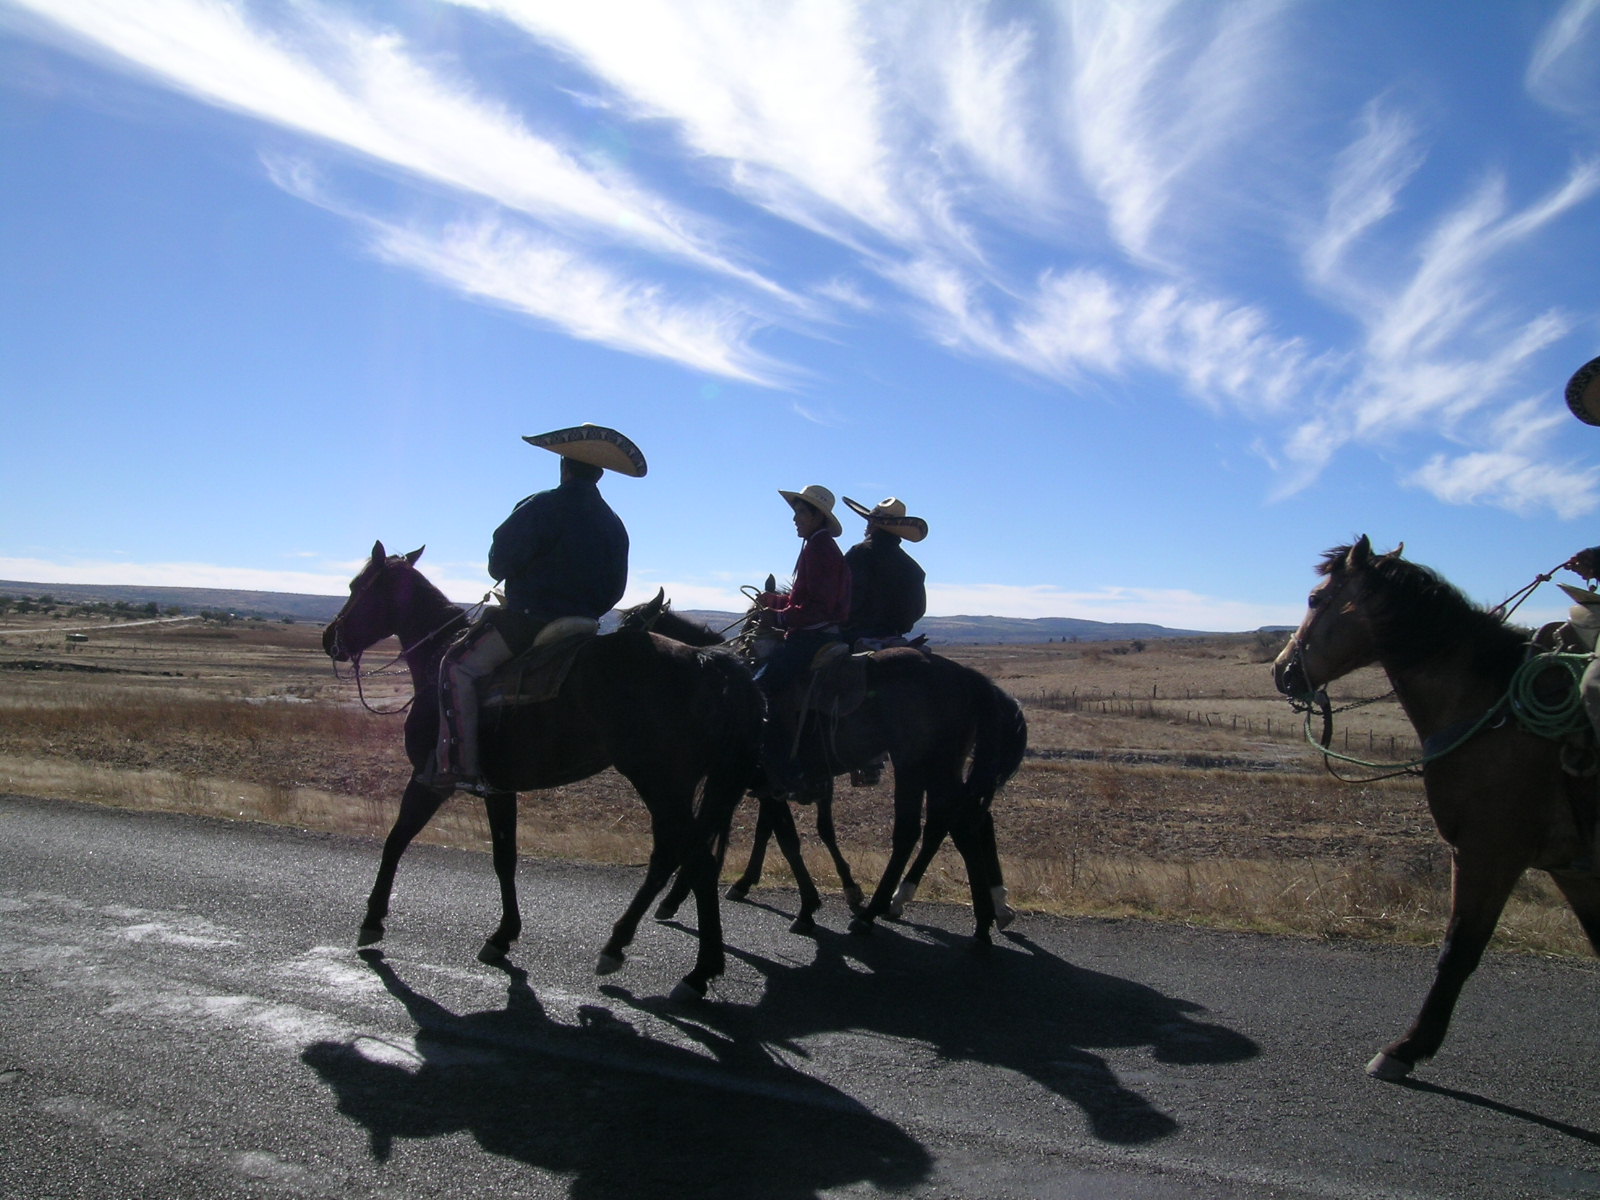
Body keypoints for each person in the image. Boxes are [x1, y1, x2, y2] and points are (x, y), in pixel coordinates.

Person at [426, 424, 645, 794]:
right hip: (582, 627)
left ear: (563, 466)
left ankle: (460, 766)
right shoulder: (614, 524)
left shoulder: (541, 506)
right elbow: (615, 589)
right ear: (600, 473)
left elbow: (499, 564)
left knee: (456, 666)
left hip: (527, 623)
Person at [756, 484, 851, 790]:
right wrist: (774, 602)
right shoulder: (817, 546)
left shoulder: (818, 549)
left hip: (811, 639)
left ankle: (782, 768)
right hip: (816, 633)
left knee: (758, 688)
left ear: (817, 516)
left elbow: (817, 607)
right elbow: (805, 600)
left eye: (800, 512)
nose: (795, 519)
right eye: (795, 512)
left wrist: (779, 618)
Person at [841, 495, 928, 647]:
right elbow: (918, 611)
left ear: (873, 525)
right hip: (895, 636)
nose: (866, 527)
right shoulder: (913, 568)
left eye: (869, 522)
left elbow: (842, 596)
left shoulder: (859, 553)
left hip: (853, 635)